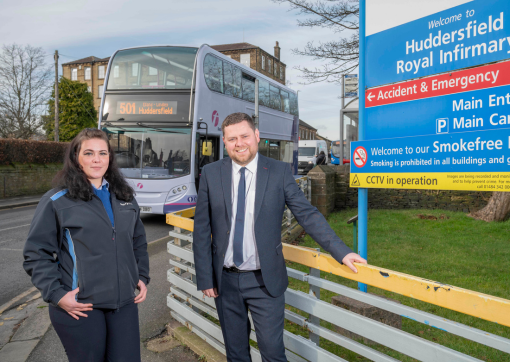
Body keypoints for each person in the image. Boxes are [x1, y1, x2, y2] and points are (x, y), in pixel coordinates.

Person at [193, 113, 366, 361]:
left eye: (244, 136)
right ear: (225, 141)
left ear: (257, 136)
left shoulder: (278, 172)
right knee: (235, 353)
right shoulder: (210, 173)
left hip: (265, 281)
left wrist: (341, 251)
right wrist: (205, 277)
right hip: (225, 282)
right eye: (232, 139)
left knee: (273, 353)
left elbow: (307, 214)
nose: (239, 143)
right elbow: (201, 229)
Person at [23, 128, 150, 362]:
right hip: (81, 305)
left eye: (103, 153)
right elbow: (35, 254)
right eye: (89, 153)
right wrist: (57, 295)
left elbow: (137, 241)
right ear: (76, 158)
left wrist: (141, 275)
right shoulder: (57, 201)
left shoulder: (125, 197)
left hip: (123, 303)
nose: (96, 159)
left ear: (110, 158)